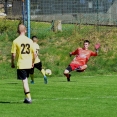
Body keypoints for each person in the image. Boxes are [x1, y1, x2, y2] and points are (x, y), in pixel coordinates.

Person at [11, 24, 36, 104]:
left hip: (21, 63)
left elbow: (13, 54)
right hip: (29, 64)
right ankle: (26, 98)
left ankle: (28, 98)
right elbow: (34, 53)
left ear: (18, 31)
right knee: (26, 80)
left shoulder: (15, 41)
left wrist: (12, 63)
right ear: (25, 31)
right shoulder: (30, 40)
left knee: (24, 81)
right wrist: (33, 62)